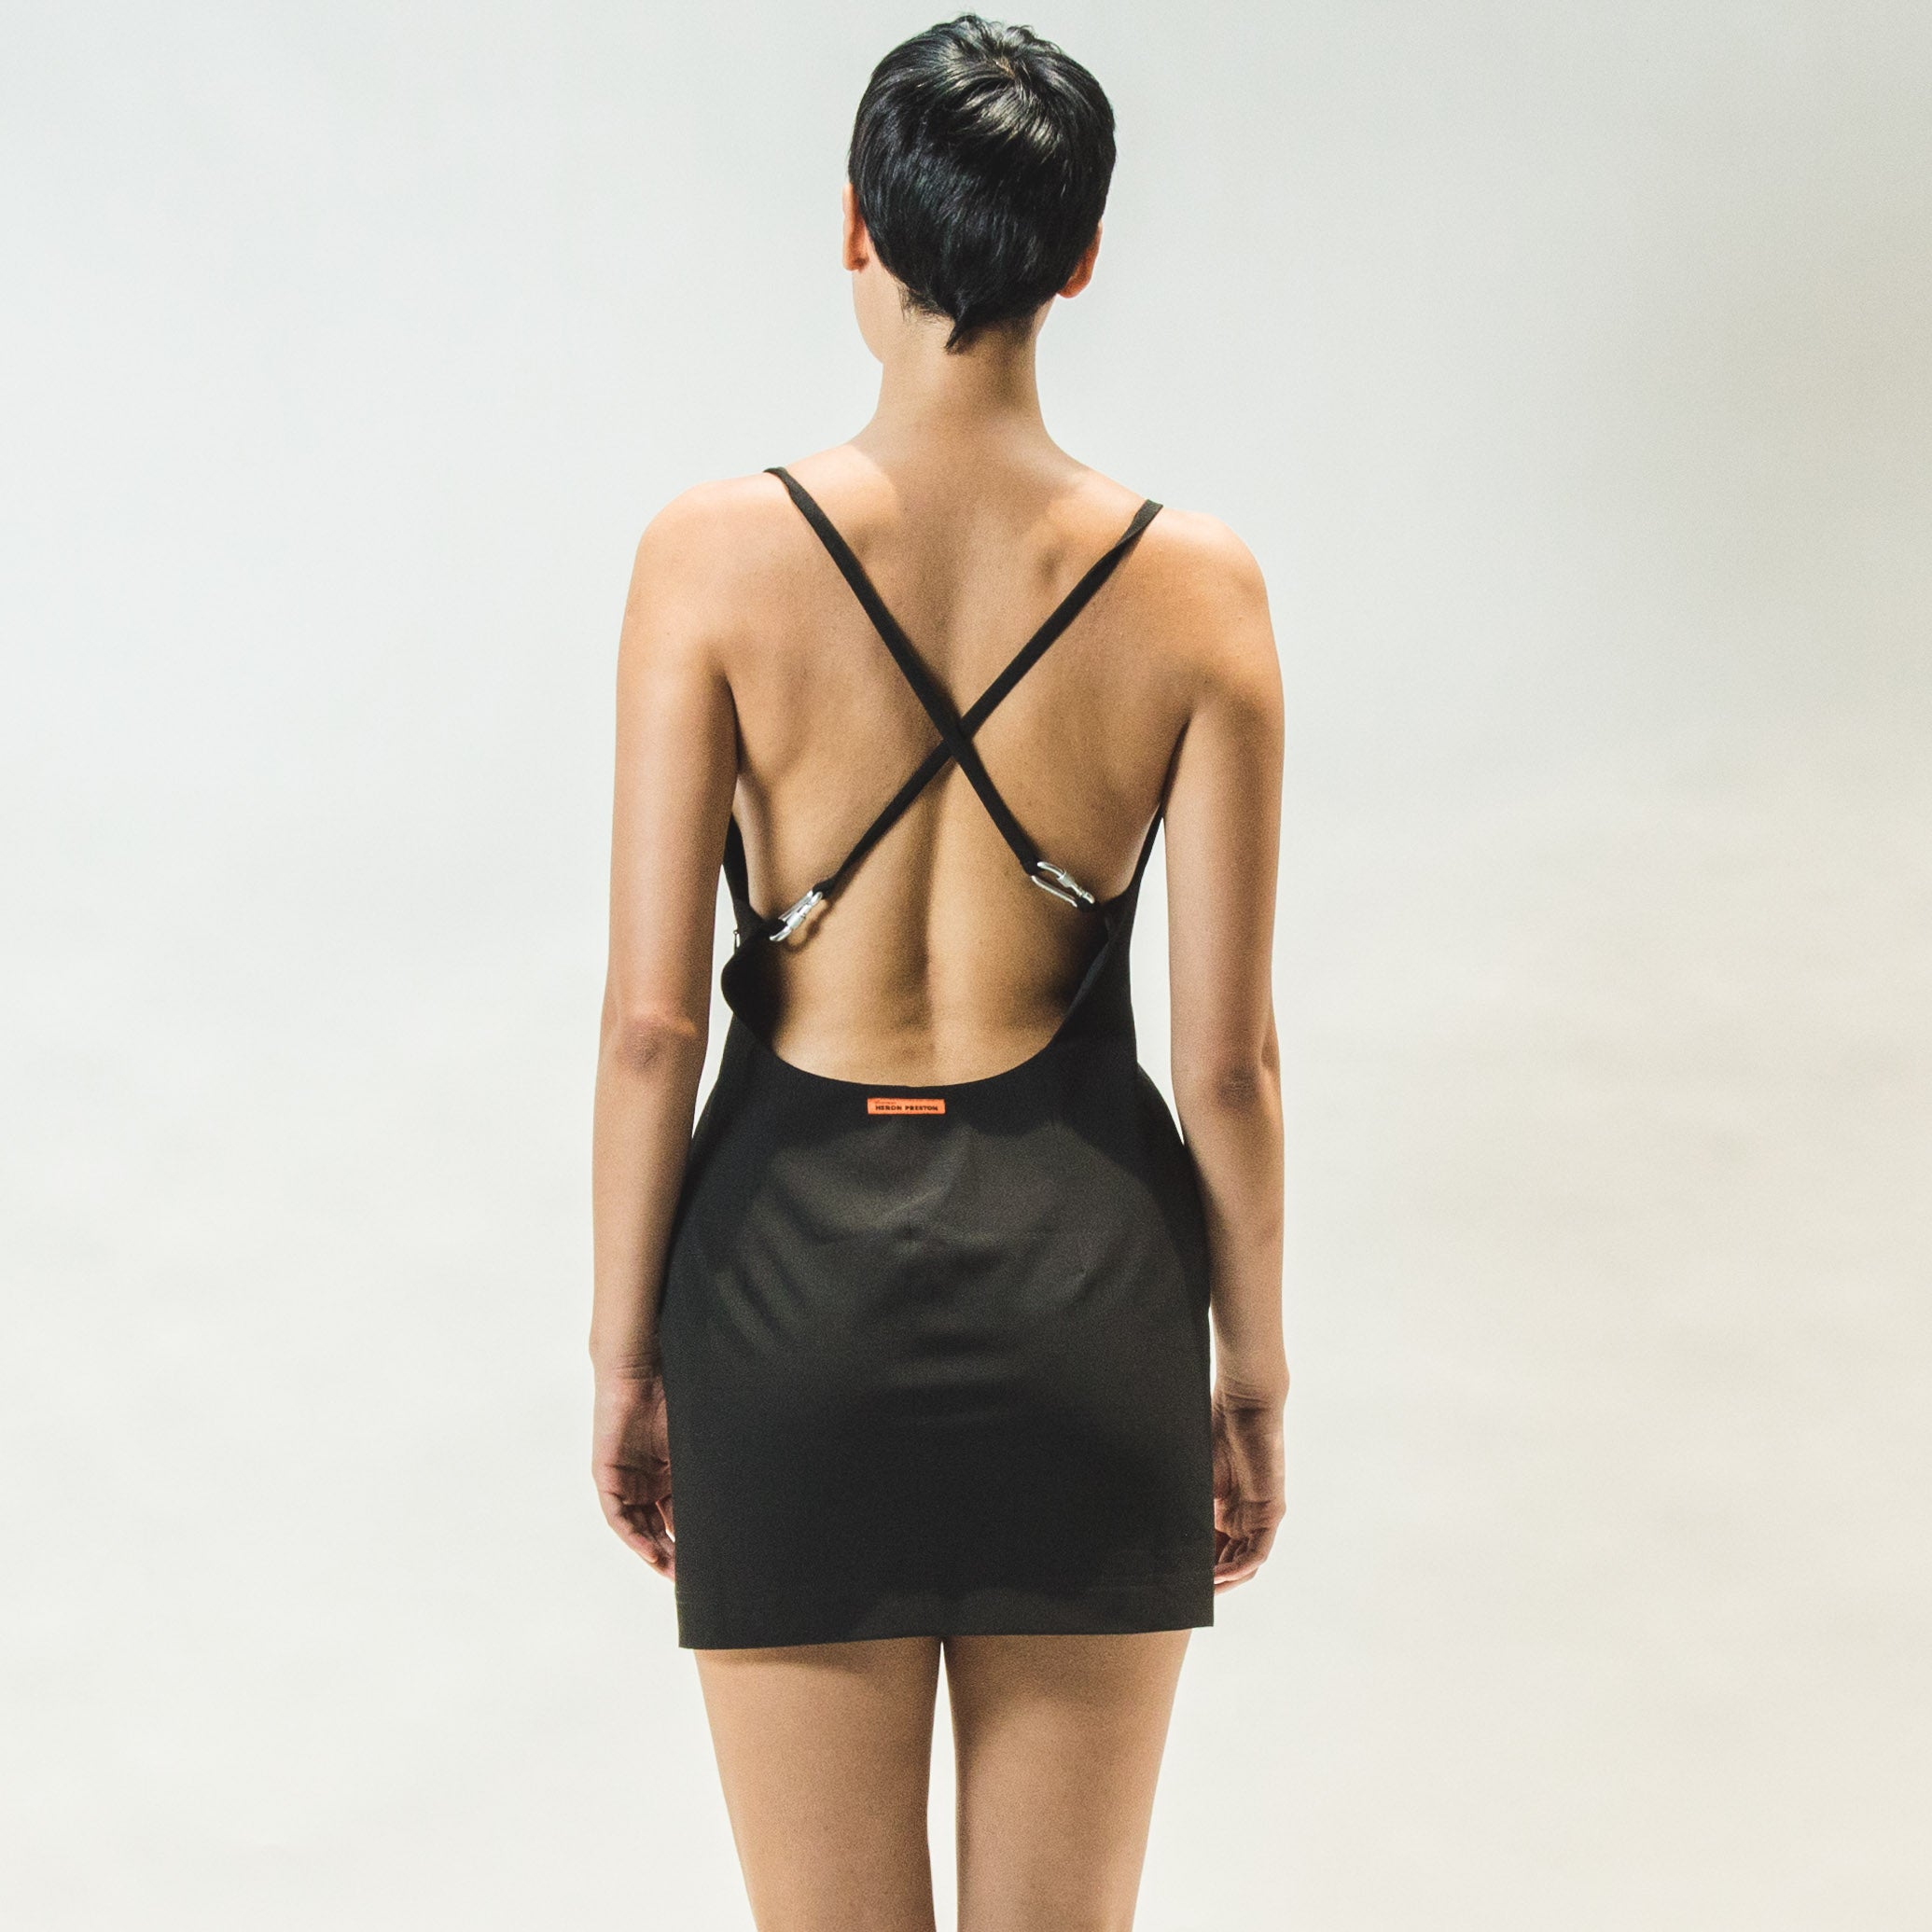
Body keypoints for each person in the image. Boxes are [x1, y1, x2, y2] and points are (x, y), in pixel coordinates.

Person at [590, 15, 1286, 1926]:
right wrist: (1250, 1378)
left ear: (854, 228)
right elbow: (1228, 1066)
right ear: (1081, 255)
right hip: (1090, 1301)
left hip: (782, 1297)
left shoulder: (708, 559)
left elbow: (650, 1025)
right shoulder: (1197, 586)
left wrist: (627, 1357)